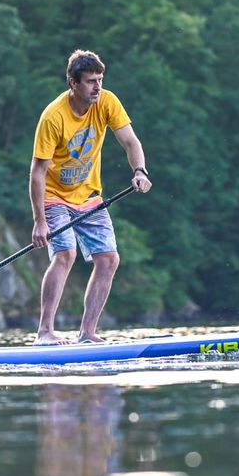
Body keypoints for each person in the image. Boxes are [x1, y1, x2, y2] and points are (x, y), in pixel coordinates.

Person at [30, 50, 151, 345]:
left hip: (90, 196)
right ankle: (44, 332)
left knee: (109, 259)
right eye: (90, 82)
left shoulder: (107, 102)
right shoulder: (53, 117)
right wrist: (39, 222)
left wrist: (140, 171)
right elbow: (37, 172)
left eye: (100, 80)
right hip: (55, 195)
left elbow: (130, 140)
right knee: (65, 254)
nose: (97, 87)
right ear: (73, 83)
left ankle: (87, 333)